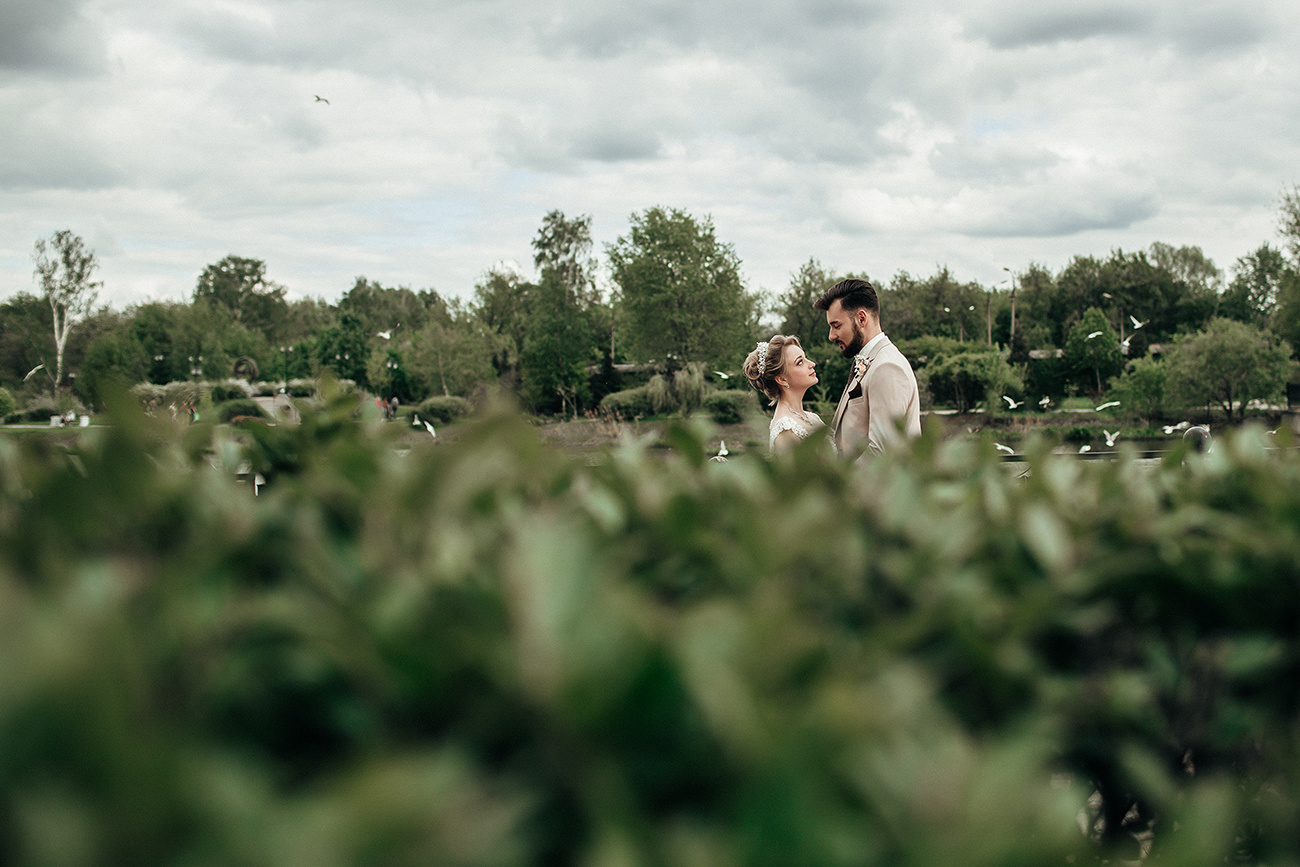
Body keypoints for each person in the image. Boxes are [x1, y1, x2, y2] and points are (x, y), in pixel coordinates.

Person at [814, 278, 921, 456]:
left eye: (836, 326)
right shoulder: (870, 362)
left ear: (861, 319)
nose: (831, 336)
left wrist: (836, 481)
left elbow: (883, 452)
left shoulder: (887, 367)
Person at [743, 334, 825, 452]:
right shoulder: (786, 428)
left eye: (805, 357)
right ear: (782, 379)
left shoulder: (812, 417)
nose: (812, 364)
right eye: (800, 362)